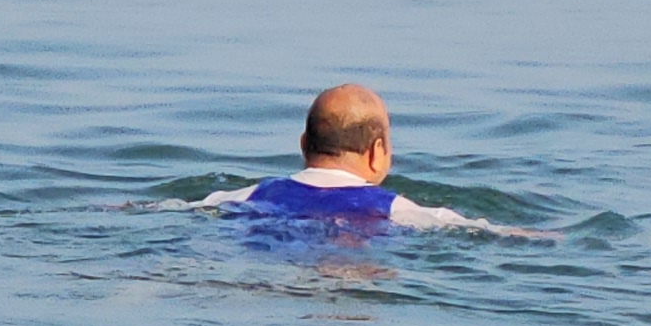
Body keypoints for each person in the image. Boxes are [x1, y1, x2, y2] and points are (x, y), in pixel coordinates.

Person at [202, 83, 480, 229]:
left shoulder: (245, 196)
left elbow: (167, 209)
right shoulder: (397, 210)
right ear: (376, 153)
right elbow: (491, 235)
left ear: (303, 144)